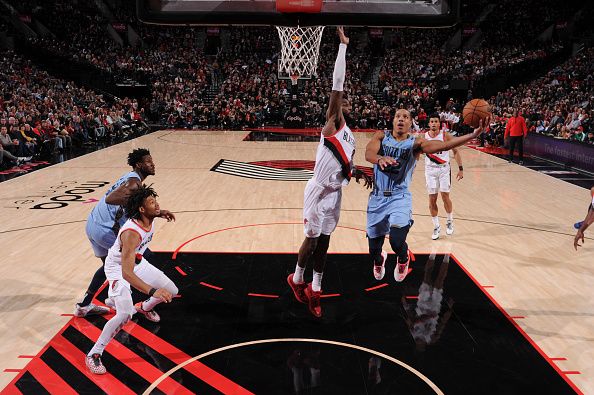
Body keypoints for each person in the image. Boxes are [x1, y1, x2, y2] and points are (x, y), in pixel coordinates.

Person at [287, 27, 372, 318]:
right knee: (310, 241)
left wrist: (360, 173)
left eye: (348, 101)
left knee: (325, 243)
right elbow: (338, 83)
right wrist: (343, 47)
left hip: (334, 194)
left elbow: (345, 166)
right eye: (342, 100)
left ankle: (316, 289)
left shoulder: (351, 137)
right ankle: (297, 279)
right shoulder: (333, 124)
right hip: (317, 189)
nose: (345, 101)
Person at [366, 108, 487, 282]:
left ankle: (403, 258)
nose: (401, 119)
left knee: (396, 241)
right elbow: (368, 153)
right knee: (373, 251)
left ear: (410, 123)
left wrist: (472, 135)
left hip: (399, 197)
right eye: (398, 116)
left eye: (405, 117)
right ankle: (380, 260)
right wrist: (379, 159)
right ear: (393, 121)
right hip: (377, 198)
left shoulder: (416, 144)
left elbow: (445, 146)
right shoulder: (381, 136)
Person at [86, 185, 178, 374]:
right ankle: (94, 353)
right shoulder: (131, 234)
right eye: (152, 203)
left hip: (137, 262)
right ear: (142, 210)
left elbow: (152, 211)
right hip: (118, 269)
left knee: (172, 290)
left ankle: (144, 308)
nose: (157, 204)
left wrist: (161, 213)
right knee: (125, 313)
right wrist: (152, 291)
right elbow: (127, 273)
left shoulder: (147, 216)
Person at [75, 148, 175, 317]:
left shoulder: (130, 177)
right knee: (141, 259)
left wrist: (157, 212)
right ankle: (140, 304)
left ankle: (84, 305)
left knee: (108, 265)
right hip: (105, 229)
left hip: (93, 223)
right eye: (148, 161)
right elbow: (110, 198)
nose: (153, 164)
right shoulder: (133, 183)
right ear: (139, 164)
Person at [424, 114, 464, 240]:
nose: (434, 123)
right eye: (432, 121)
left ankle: (449, 220)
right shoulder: (423, 137)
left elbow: (456, 151)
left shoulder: (445, 136)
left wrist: (460, 168)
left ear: (439, 123)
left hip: (444, 170)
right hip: (430, 170)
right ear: (429, 124)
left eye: (436, 121)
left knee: (445, 196)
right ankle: (436, 226)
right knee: (432, 199)